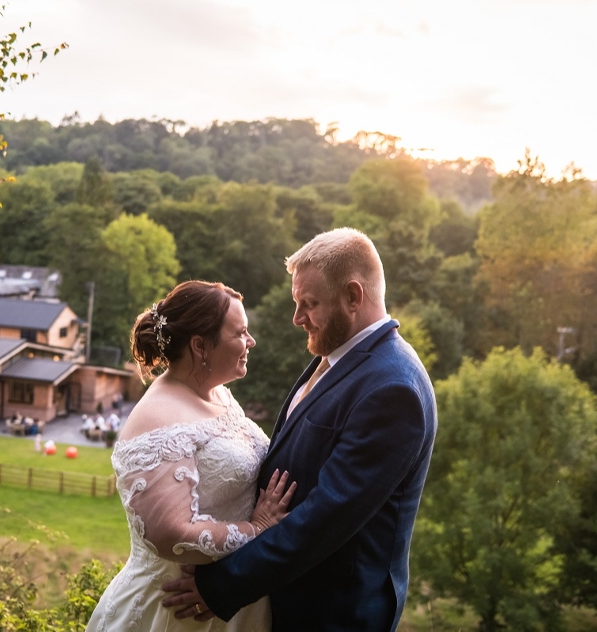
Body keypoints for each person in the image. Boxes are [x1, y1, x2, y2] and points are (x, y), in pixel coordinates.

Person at [161, 228, 438, 631]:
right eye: (297, 302)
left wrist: (223, 584)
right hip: (291, 599)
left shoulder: (393, 388)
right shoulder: (341, 356)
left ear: (353, 297)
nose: (297, 318)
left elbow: (326, 518)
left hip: (333, 614)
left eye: (309, 304)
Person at [85, 280, 296, 632]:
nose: (251, 342)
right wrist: (257, 530)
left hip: (230, 601)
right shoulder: (158, 418)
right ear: (200, 345)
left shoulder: (219, 395)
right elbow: (171, 533)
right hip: (174, 611)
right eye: (240, 333)